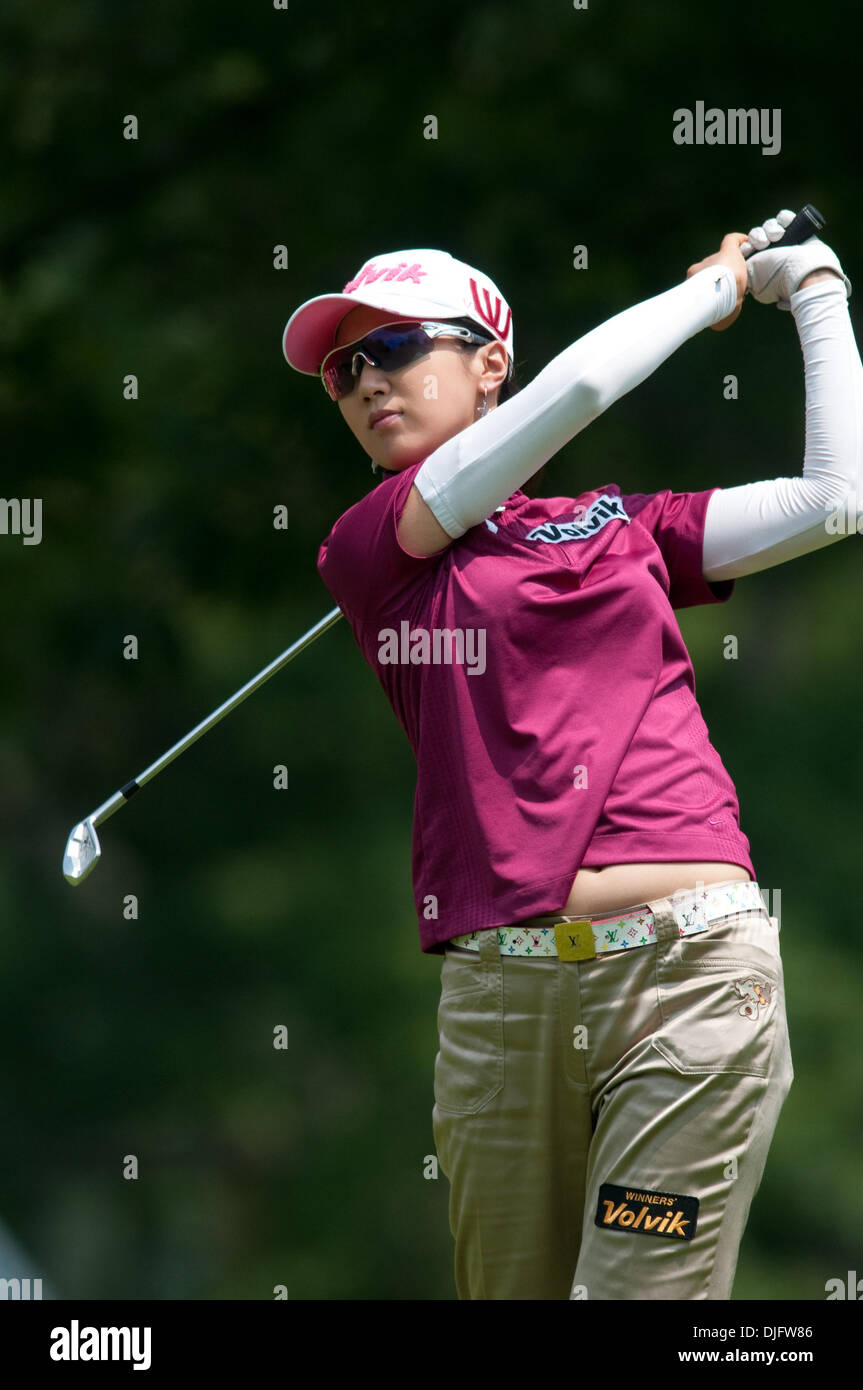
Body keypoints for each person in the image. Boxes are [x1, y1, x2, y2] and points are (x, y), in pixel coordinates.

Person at [281, 214, 860, 1300]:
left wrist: (811, 286)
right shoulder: (369, 547)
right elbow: (581, 392)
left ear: (489, 362)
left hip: (691, 983)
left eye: (396, 348)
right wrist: (716, 290)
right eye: (343, 370)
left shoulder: (609, 525)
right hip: (503, 1010)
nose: (366, 381)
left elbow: (833, 500)